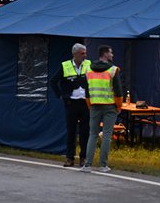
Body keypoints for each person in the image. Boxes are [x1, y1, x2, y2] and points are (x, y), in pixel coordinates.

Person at [82, 45, 123, 173]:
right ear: (105, 54)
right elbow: (118, 91)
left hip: (94, 105)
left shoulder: (88, 69)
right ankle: (102, 165)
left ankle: (87, 165)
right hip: (109, 106)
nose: (112, 55)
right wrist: (119, 106)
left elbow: (87, 91)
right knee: (106, 135)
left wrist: (90, 105)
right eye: (111, 52)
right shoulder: (113, 70)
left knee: (92, 134)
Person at [51, 43, 91, 167]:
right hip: (71, 102)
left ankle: (83, 157)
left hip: (85, 102)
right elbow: (53, 81)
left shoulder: (89, 64)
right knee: (71, 131)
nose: (84, 55)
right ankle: (70, 157)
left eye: (85, 53)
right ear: (75, 54)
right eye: (82, 53)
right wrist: (61, 95)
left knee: (85, 131)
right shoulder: (66, 66)